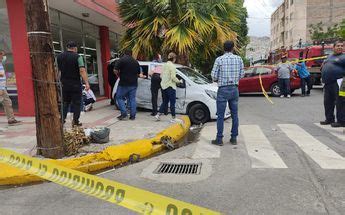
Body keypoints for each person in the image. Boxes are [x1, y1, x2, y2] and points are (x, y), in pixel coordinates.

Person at [210, 41, 244, 146]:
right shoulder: (239, 59)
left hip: (223, 90)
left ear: (223, 48)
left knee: (220, 115)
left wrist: (220, 79)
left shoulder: (219, 60)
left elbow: (214, 76)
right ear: (233, 48)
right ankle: (233, 138)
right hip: (234, 89)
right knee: (234, 115)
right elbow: (242, 75)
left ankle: (219, 139)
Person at [57, 41, 90, 127]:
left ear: (67, 48)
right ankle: (75, 121)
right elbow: (82, 70)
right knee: (76, 103)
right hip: (75, 84)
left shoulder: (59, 57)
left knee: (65, 103)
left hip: (64, 84)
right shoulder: (78, 57)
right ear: (75, 48)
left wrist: (58, 81)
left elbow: (57, 70)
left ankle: (62, 120)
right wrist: (86, 83)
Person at [320, 40, 345, 127]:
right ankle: (329, 119)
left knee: (340, 102)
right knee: (328, 102)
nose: (340, 47)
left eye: (342, 46)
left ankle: (341, 121)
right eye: (338, 46)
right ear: (333, 47)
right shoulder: (329, 56)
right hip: (328, 83)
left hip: (339, 83)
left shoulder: (344, 57)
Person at [114, 50, 142, 120]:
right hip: (134, 84)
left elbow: (115, 70)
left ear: (124, 53)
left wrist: (118, 75)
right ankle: (132, 116)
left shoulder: (121, 60)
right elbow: (139, 73)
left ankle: (124, 114)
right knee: (132, 99)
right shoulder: (136, 62)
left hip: (124, 83)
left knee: (119, 97)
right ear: (131, 54)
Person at [154, 52, 183, 122]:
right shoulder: (172, 66)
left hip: (163, 86)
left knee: (165, 102)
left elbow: (161, 76)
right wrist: (179, 81)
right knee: (172, 102)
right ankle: (173, 118)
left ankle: (158, 115)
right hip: (170, 86)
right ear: (174, 59)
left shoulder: (164, 65)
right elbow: (173, 77)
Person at [0, 50, 20, 125]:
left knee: (7, 102)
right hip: (1, 88)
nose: (3, 57)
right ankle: (11, 119)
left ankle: (11, 119)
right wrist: (1, 88)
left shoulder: (1, 64)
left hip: (2, 87)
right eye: (2, 55)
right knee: (7, 102)